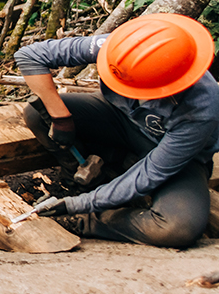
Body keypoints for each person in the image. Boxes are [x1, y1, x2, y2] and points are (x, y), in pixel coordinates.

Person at [14, 13, 218, 247]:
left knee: (176, 229)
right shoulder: (121, 47)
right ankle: (80, 180)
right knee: (38, 114)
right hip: (122, 120)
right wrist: (61, 117)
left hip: (172, 155)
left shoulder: (202, 108)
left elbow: (151, 173)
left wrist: (77, 206)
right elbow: (29, 56)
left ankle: (86, 220)